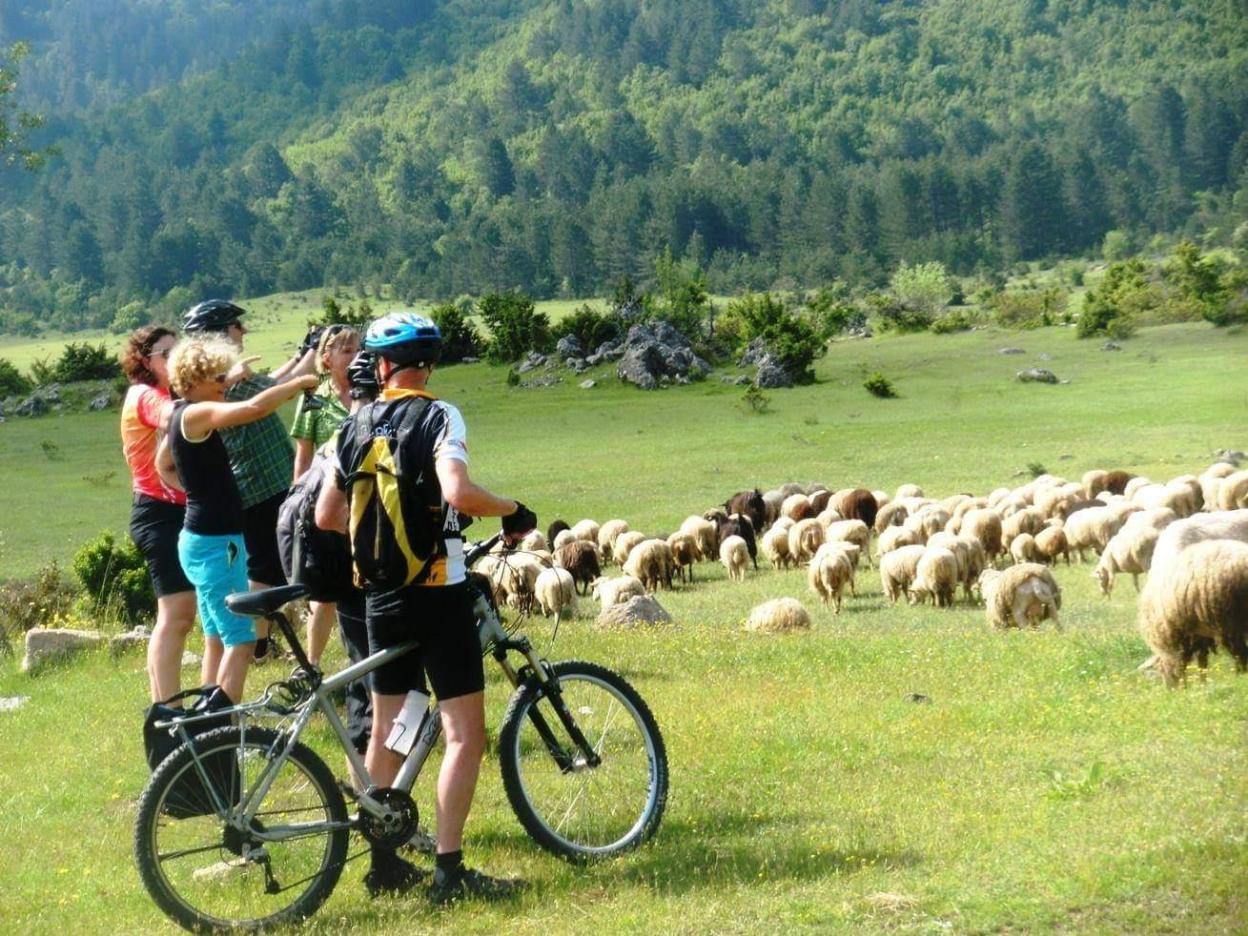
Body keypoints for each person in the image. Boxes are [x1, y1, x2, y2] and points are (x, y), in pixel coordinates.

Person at [315, 312, 536, 902]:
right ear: (428, 364)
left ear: (381, 367)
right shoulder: (439, 414)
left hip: (381, 596)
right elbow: (458, 492)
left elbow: (326, 517)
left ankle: (384, 863)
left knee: (390, 728)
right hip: (439, 592)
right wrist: (512, 508)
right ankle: (449, 870)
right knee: (464, 734)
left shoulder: (352, 426)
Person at [156, 336, 318, 703]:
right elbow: (255, 408)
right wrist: (298, 383)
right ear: (194, 380)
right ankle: (223, 724)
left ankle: (206, 715)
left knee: (217, 636)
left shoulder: (183, 412)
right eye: (216, 377)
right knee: (242, 640)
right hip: (217, 545)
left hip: (207, 541)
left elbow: (162, 464)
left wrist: (199, 492)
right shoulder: (197, 414)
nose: (223, 384)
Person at [182, 299, 316, 663]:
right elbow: (271, 391)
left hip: (261, 481)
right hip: (260, 483)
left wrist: (304, 354)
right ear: (219, 332)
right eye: (236, 326)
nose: (243, 331)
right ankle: (256, 644)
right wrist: (311, 358)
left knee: (265, 563)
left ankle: (258, 641)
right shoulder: (223, 381)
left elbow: (269, 384)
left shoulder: (223, 377)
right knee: (265, 566)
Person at [119, 326, 196, 704]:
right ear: (145, 361)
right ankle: (168, 709)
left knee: (182, 616)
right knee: (176, 614)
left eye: (177, 351)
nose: (174, 358)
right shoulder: (144, 395)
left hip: (177, 511)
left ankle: (168, 707)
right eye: (166, 354)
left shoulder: (168, 392)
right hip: (157, 513)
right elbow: (173, 418)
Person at [289, 324, 360, 667]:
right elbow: (303, 457)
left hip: (366, 503)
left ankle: (363, 661)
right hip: (326, 505)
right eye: (347, 351)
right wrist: (298, 502)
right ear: (327, 358)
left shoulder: (371, 394)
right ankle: (311, 666)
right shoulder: (314, 400)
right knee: (326, 594)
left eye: (359, 349)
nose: (356, 357)